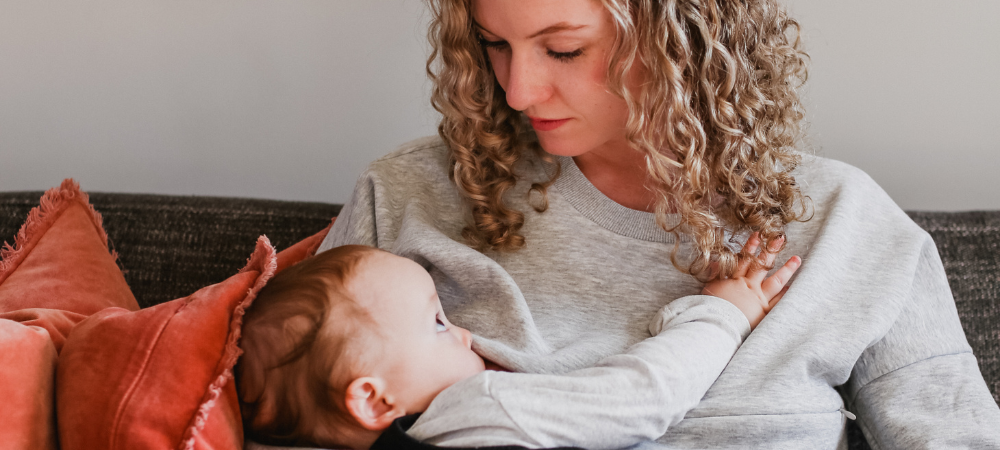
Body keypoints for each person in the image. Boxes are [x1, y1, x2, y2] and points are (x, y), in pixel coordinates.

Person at [320, 0, 1000, 448]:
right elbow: (289, 415)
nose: (518, 89)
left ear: (683, 40)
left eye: (563, 50)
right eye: (494, 43)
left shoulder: (842, 219)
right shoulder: (411, 194)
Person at [237, 237, 799, 450]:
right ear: (373, 399)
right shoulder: (477, 409)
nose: (465, 333)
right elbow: (644, 395)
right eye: (438, 323)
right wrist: (722, 314)